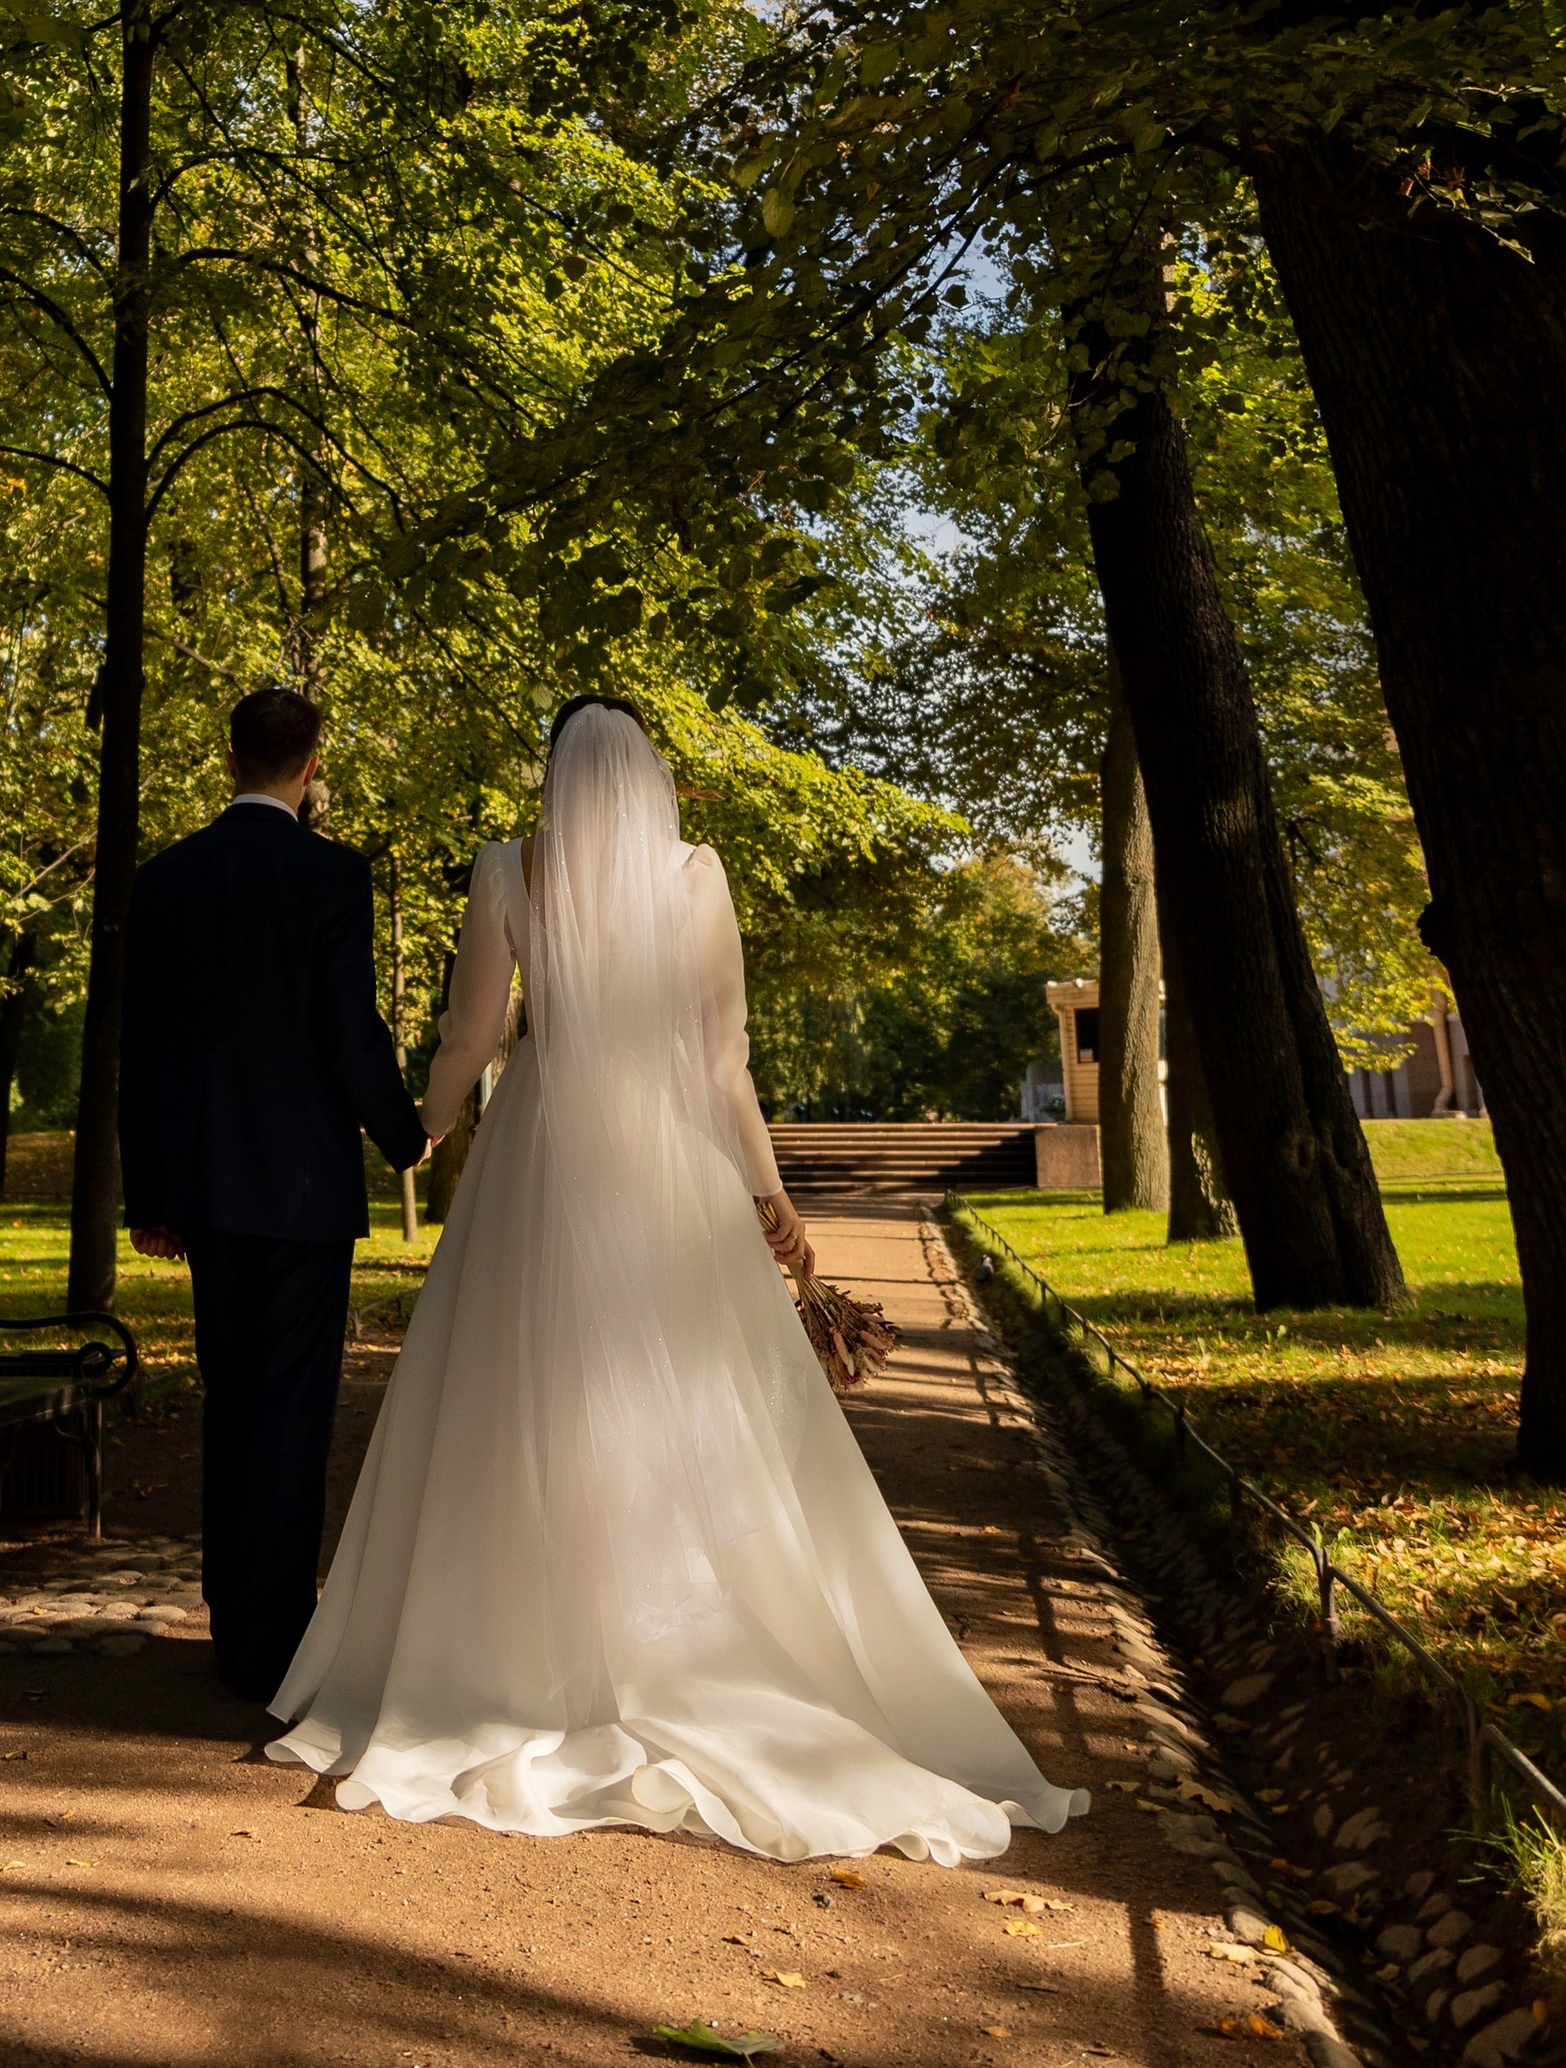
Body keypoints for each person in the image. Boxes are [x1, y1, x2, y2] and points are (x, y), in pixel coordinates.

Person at [268, 697, 1088, 1862]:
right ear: (649, 773)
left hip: (541, 1148)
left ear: (552, 768)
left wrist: (421, 1132)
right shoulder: (697, 876)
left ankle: (502, 1653)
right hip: (665, 1157)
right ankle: (692, 1644)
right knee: (691, 1398)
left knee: (517, 1391)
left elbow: (468, 1034)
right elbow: (719, 1060)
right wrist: (768, 1196)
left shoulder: (507, 867)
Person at [120, 685, 429, 1706]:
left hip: (205, 1187)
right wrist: (401, 1133)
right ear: (310, 767)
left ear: (231, 759)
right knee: (291, 1412)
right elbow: (349, 1029)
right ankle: (274, 1639)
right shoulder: (331, 874)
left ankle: (229, 1626)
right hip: (301, 1190)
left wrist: (148, 1192)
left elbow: (139, 1050)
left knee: (231, 1402)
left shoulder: (166, 879)